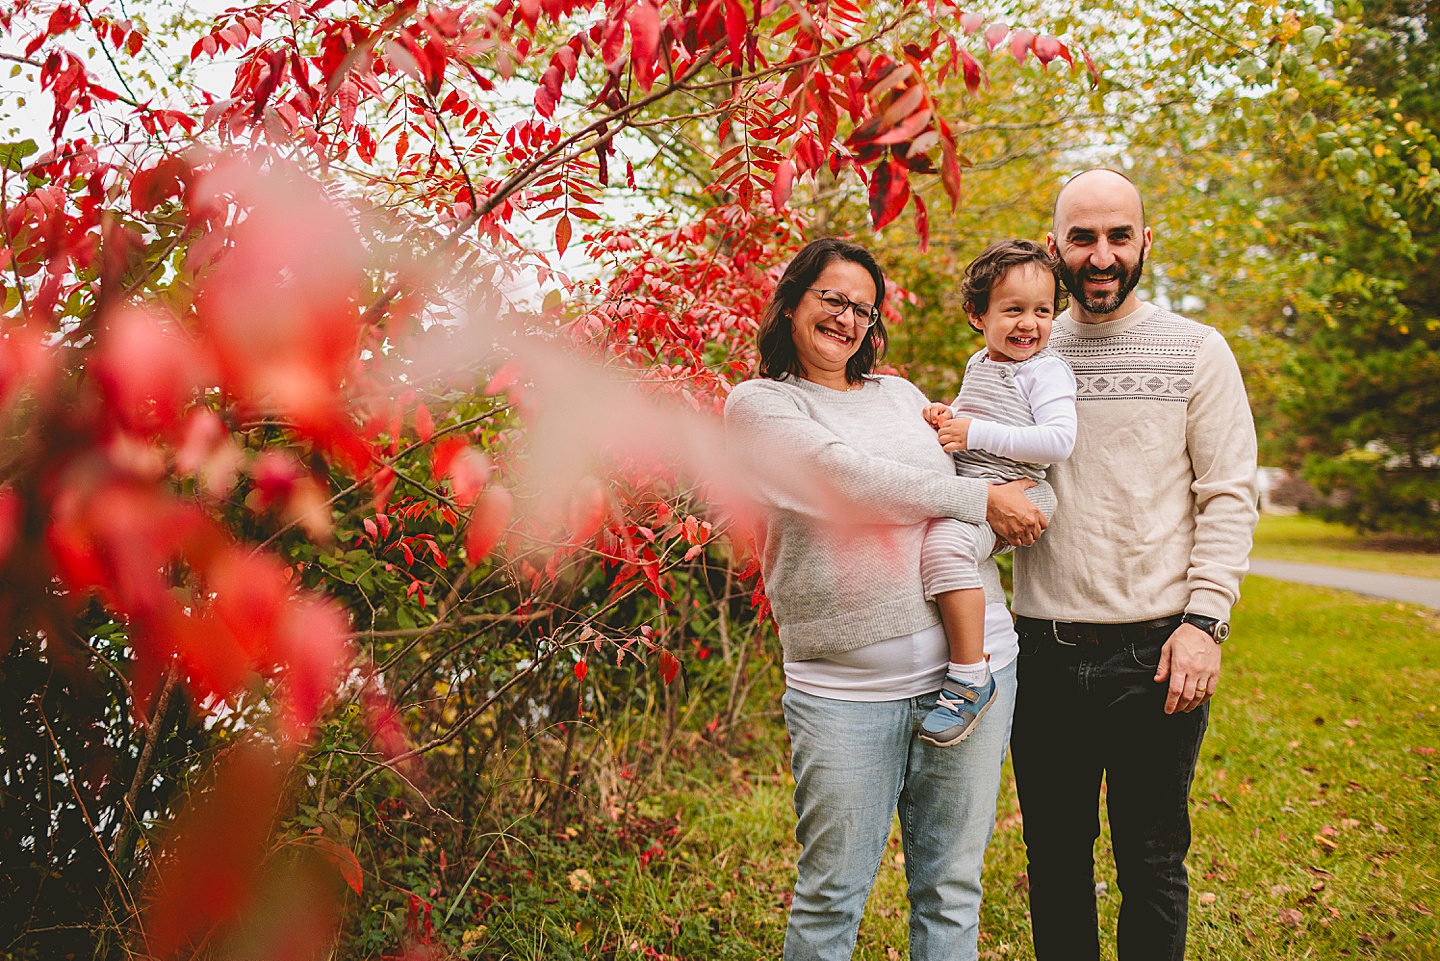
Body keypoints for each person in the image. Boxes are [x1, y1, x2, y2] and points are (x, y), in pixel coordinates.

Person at [724, 237, 1045, 961]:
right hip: (845, 693)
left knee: (952, 890)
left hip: (977, 675)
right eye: (832, 298)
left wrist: (997, 498)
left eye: (863, 309)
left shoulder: (901, 394)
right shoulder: (758, 405)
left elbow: (965, 481)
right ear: (792, 300)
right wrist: (980, 498)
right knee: (832, 894)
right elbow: (846, 481)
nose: (847, 318)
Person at [1009, 169, 1259, 961]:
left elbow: (1228, 496)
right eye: (1082, 237)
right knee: (1052, 862)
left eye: (1119, 235)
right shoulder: (1019, 350)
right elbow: (972, 469)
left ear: (1146, 242)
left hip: (1158, 654)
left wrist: (1205, 622)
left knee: (1151, 861)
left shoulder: (1197, 351)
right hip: (1043, 654)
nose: (1101, 254)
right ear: (1054, 247)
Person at [914, 240, 1077, 748]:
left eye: (1043, 311)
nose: (1030, 323)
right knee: (933, 546)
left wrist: (975, 432)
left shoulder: (1044, 370)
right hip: (980, 489)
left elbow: (1058, 441)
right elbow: (969, 415)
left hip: (1024, 489)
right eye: (1013, 310)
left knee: (943, 547)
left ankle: (969, 676)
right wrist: (945, 414)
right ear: (977, 314)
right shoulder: (980, 364)